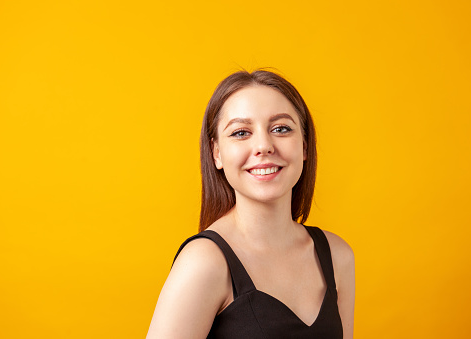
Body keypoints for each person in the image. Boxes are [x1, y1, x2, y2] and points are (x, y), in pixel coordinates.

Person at [146, 70, 355, 338]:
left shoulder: (338, 256)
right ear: (217, 153)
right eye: (241, 132)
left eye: (281, 129)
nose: (264, 145)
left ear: (304, 145)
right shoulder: (204, 262)